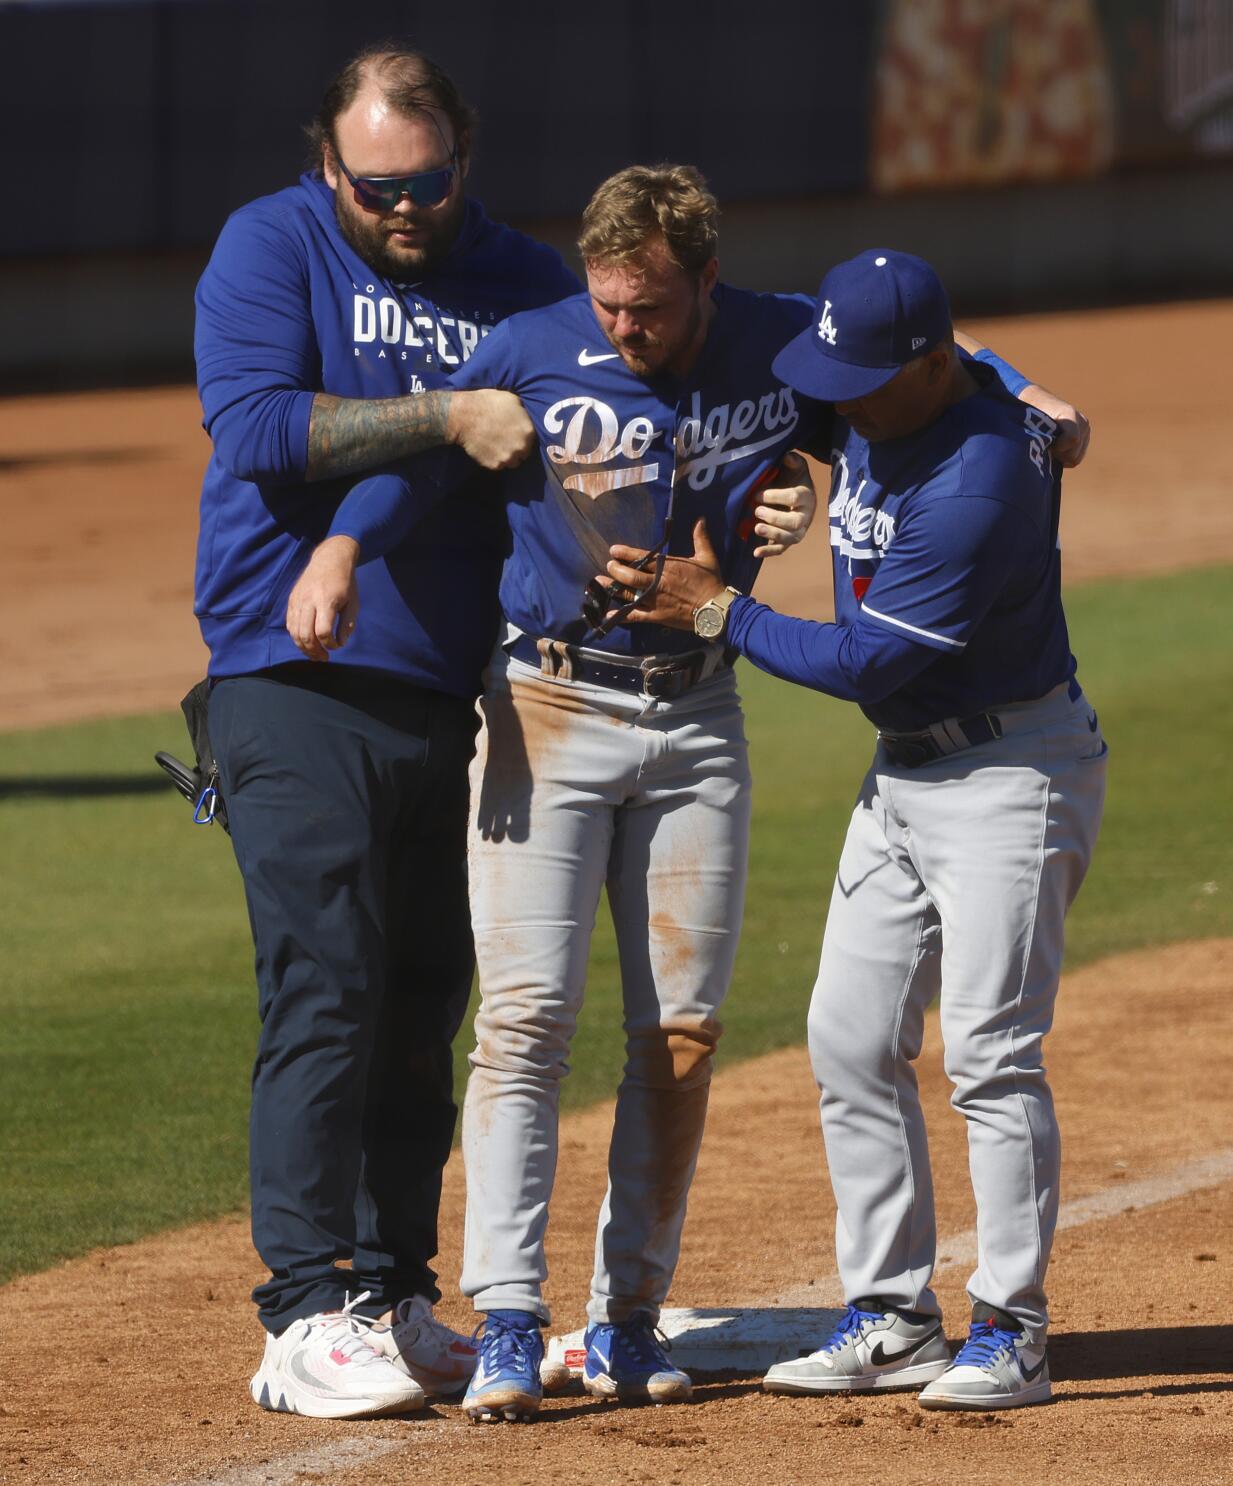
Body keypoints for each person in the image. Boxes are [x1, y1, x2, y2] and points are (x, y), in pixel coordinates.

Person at [287, 174, 1082, 1423]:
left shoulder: (782, 338)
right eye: (607, 301)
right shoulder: (534, 346)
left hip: (700, 714)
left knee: (681, 1038)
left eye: (649, 305)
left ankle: (628, 1319)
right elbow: (433, 464)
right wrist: (339, 548)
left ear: (707, 282)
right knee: (526, 1020)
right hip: (547, 705)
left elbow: (923, 353)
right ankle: (506, 1318)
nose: (623, 327)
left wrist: (1023, 394)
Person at [603, 248, 1107, 1413]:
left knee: (989, 1053)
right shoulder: (905, 375)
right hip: (910, 774)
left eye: (864, 377)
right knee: (848, 1036)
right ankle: (891, 1315)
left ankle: (1013, 1328)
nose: (839, 395)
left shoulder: (979, 482)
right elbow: (984, 369)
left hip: (1010, 769)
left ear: (928, 365)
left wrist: (717, 606)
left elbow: (865, 661)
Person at [192, 44, 580, 1420]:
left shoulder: (526, 278)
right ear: (328, 166)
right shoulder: (272, 244)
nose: (405, 212)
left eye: (427, 185)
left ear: (462, 161)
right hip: (289, 674)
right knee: (328, 980)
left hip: (459, 689)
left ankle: (390, 1293)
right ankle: (300, 1312)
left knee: (427, 997)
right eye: (377, 188)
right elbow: (251, 429)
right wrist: (442, 409)